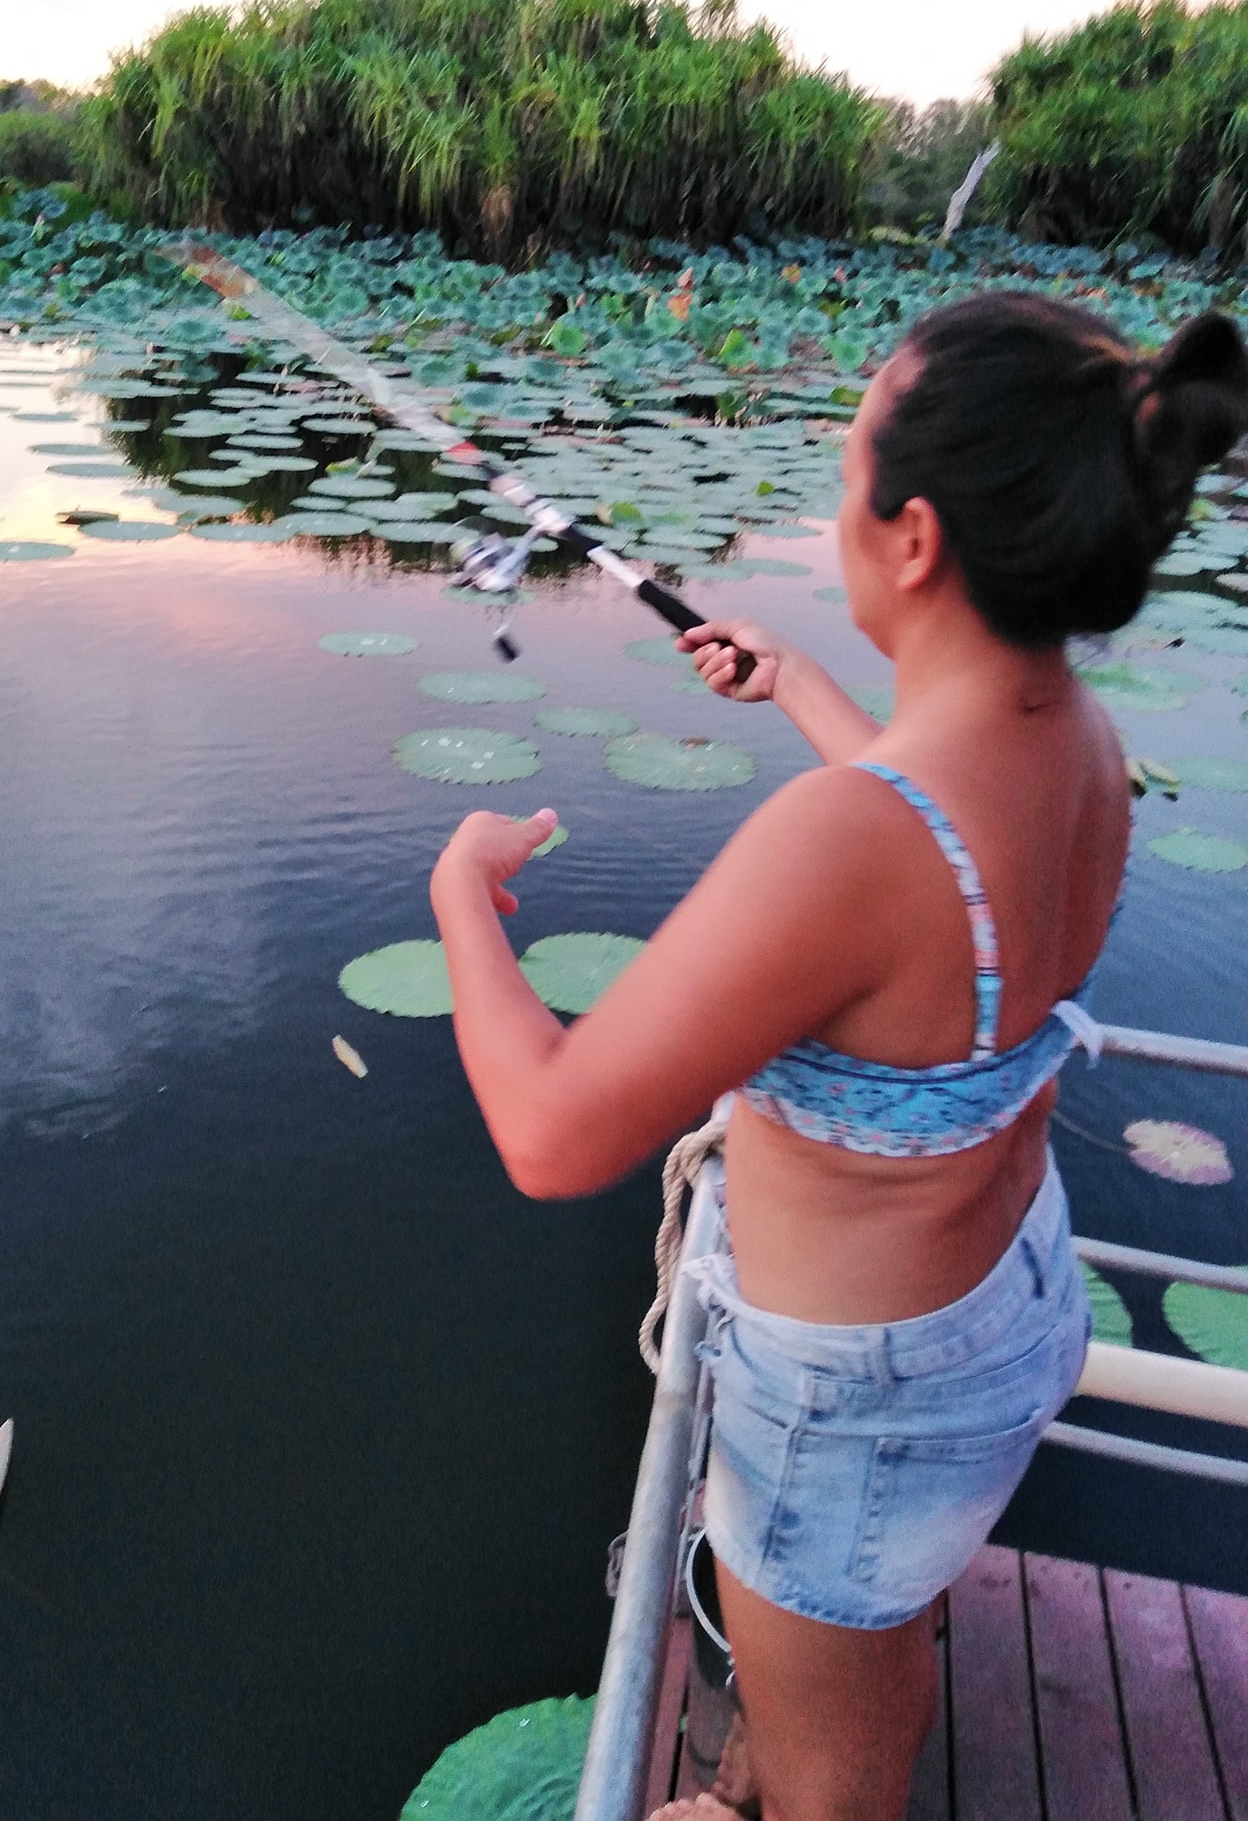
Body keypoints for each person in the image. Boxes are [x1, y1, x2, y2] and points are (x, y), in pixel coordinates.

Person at [429, 293, 1248, 1821]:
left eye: (853, 451)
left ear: (917, 536)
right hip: (998, 1306)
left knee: (834, 1776)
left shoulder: (851, 839)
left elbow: (551, 1135)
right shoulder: (1074, 740)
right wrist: (800, 683)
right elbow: (938, 862)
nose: (837, 491)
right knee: (877, 1621)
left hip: (855, 1400)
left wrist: (460, 898)